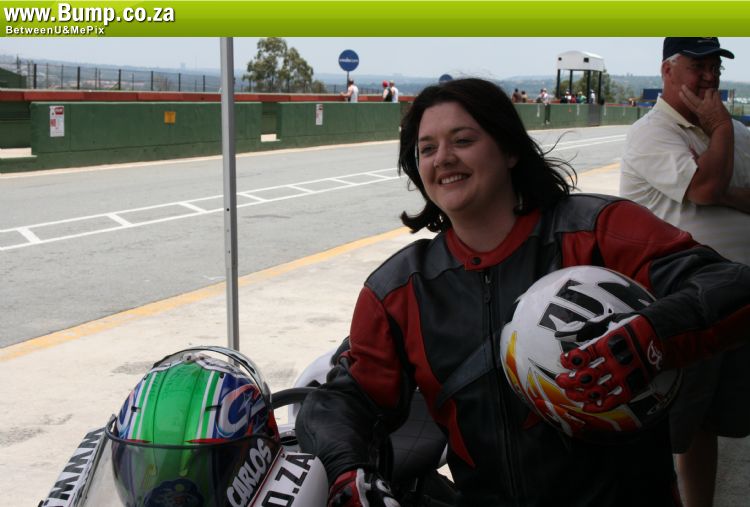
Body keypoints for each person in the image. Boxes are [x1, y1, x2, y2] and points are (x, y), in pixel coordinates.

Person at [296, 77, 750, 506]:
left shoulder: (598, 231)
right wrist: (347, 470)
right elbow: (344, 400)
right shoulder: (398, 290)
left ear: (510, 149)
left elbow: (731, 284)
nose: (443, 158)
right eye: (427, 148)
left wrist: (653, 331)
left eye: (463, 140)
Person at [620, 37, 750, 507]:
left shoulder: (734, 132)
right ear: (667, 71)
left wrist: (721, 176)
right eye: (699, 66)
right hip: (677, 306)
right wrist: (721, 130)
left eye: (715, 65)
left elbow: (713, 190)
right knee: (666, 428)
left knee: (706, 424)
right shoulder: (652, 132)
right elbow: (706, 187)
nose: (710, 76)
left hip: (736, 305)